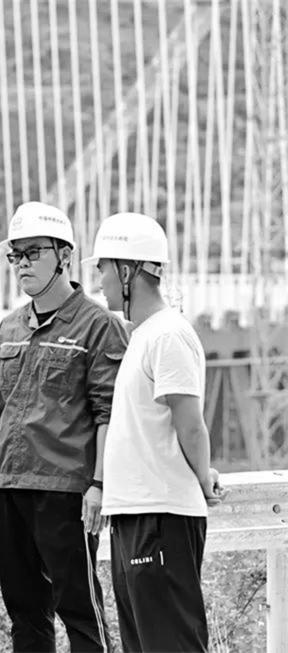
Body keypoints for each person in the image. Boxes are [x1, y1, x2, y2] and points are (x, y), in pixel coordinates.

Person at [0, 202, 128, 652]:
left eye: (33, 252)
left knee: (80, 611)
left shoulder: (99, 326)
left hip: (66, 490)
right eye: (15, 255)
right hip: (10, 487)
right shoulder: (8, 328)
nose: (22, 264)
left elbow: (109, 414)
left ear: (64, 255)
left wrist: (98, 485)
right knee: (24, 614)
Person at [88, 212, 226, 652]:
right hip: (135, 515)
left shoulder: (168, 335)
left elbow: (191, 424)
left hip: (160, 517)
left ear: (128, 271)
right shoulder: (144, 336)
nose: (99, 280)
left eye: (103, 268)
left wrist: (202, 478)